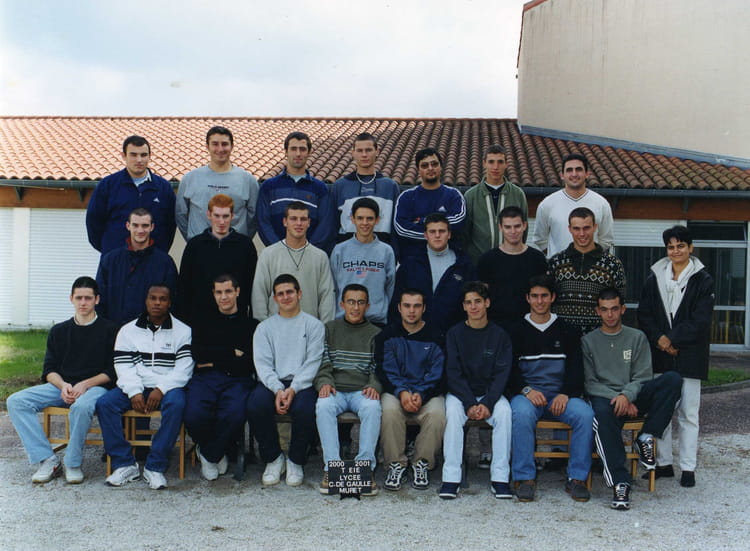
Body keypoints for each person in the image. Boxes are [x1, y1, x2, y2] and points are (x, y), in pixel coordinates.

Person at [7, 277, 117, 484]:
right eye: (79, 298)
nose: (83, 302)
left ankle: (73, 463)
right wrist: (63, 385)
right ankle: (47, 459)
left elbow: (113, 371)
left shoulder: (110, 329)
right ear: (71, 299)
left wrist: (84, 384)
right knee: (16, 401)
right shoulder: (59, 331)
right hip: (62, 386)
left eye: (88, 298)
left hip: (96, 387)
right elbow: (49, 370)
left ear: (97, 300)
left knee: (81, 406)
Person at [583, 288, 682, 510]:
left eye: (614, 309)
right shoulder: (588, 341)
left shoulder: (637, 337)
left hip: (634, 394)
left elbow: (643, 376)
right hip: (605, 397)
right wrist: (618, 398)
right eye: (605, 310)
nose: (610, 315)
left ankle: (646, 435)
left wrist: (626, 396)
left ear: (623, 309)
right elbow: (589, 383)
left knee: (673, 380)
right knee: (601, 416)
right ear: (598, 311)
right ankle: (621, 482)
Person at [637, 225, 715, 488]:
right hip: (660, 354)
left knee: (689, 414)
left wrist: (672, 339)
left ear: (690, 248)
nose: (676, 251)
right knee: (662, 410)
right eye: (671, 247)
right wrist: (659, 338)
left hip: (689, 354)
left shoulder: (703, 280)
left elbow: (701, 320)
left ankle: (688, 468)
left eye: (681, 246)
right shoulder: (654, 277)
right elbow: (645, 314)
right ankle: (664, 463)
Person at [97, 284, 194, 490]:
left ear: (169, 303)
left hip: (168, 388)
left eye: (162, 299)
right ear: (146, 301)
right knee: (105, 403)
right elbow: (123, 366)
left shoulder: (183, 331)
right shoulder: (128, 331)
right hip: (137, 386)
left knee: (177, 404)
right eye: (153, 298)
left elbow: (184, 369)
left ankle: (155, 466)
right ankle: (124, 464)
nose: (157, 303)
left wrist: (161, 389)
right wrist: (134, 391)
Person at [507, 275, 592, 502]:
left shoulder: (568, 330)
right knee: (520, 414)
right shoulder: (515, 330)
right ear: (527, 298)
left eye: (544, 296)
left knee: (585, 414)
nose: (539, 301)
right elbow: (509, 371)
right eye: (534, 296)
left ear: (553, 297)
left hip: (560, 395)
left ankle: (577, 478)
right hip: (528, 395)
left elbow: (576, 369)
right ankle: (524, 478)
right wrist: (526, 390)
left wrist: (566, 393)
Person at [247, 274, 324, 487]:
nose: (285, 297)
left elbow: (313, 362)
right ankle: (273, 458)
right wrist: (278, 390)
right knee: (255, 405)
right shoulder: (265, 328)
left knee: (306, 409)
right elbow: (262, 364)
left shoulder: (314, 326)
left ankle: (296, 460)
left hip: (303, 383)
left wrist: (293, 389)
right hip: (273, 382)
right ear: (274, 298)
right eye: (280, 294)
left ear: (299, 294)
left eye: (290, 292)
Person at [439, 281, 513, 500]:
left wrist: (487, 403)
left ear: (487, 303)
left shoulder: (500, 335)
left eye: (478, 301)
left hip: (490, 394)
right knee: (452, 414)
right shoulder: (454, 333)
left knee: (505, 413)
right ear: (463, 306)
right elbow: (453, 372)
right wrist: (470, 402)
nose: (473, 307)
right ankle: (451, 478)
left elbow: (502, 374)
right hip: (461, 394)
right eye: (468, 302)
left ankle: (500, 478)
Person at [184, 274, 258, 481]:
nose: (223, 297)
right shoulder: (203, 322)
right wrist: (229, 353)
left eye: (228, 291)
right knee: (193, 414)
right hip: (206, 379)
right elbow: (198, 355)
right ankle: (216, 451)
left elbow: (249, 362)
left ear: (237, 292)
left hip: (238, 380)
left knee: (234, 413)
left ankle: (209, 454)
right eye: (219, 292)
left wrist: (213, 358)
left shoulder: (251, 325)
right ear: (213, 294)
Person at [315, 284, 382, 495]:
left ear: (367, 306)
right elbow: (322, 361)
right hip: (335, 389)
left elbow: (378, 366)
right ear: (342, 304)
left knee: (372, 407)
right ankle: (331, 468)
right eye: (351, 302)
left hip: (362, 391)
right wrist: (325, 382)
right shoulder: (329, 329)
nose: (355, 307)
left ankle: (364, 468)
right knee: (323, 405)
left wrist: (374, 384)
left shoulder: (376, 333)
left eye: (361, 302)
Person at [376, 289, 446, 491]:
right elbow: (386, 371)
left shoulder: (437, 335)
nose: (411, 311)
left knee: (437, 413)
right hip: (397, 391)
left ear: (424, 308)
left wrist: (421, 394)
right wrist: (402, 392)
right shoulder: (387, 335)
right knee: (389, 411)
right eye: (407, 305)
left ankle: (421, 463)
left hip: (427, 391)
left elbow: (439, 373)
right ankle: (395, 464)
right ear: (399, 308)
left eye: (416, 306)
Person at [86, 135, 176, 254]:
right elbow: (94, 223)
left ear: (150, 156)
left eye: (143, 155)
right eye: (133, 155)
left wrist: (159, 251)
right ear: (124, 156)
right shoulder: (107, 186)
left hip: (153, 259)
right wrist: (109, 250)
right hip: (115, 259)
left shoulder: (163, 188)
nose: (139, 160)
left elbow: (170, 225)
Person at [177, 193, 257, 326]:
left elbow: (252, 286)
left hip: (236, 321)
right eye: (217, 216)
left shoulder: (245, 246)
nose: (221, 222)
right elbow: (184, 287)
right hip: (200, 321)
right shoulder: (195, 246)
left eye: (225, 216)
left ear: (232, 216)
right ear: (209, 215)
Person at [392, 213, 475, 337]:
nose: (437, 235)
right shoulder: (410, 263)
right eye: (432, 231)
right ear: (425, 235)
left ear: (449, 234)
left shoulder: (464, 264)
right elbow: (397, 301)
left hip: (452, 335)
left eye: (442, 231)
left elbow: (471, 302)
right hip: (416, 335)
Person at [251, 201, 335, 322]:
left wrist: (324, 328)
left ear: (309, 222)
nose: (299, 223)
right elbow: (259, 294)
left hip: (310, 328)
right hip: (276, 327)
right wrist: (264, 327)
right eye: (293, 219)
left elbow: (326, 297)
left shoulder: (320, 257)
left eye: (303, 219)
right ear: (285, 222)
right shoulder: (268, 254)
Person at [548, 207, 625, 336]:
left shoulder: (612, 264)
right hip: (562, 337)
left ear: (595, 227)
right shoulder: (556, 262)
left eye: (586, 228)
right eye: (576, 229)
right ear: (569, 229)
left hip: (599, 339)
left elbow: (620, 304)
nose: (582, 234)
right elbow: (547, 302)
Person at [96, 207, 178, 327]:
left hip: (151, 332)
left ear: (152, 227)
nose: (140, 230)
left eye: (145, 226)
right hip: (115, 331)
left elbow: (173, 302)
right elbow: (99, 300)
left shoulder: (165, 263)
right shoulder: (110, 261)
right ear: (128, 226)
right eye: (135, 225)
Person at [175, 126, 259, 240]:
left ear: (232, 146)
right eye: (215, 144)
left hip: (236, 247)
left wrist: (241, 242)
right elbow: (180, 215)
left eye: (224, 144)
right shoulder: (190, 179)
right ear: (207, 147)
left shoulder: (248, 180)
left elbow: (254, 218)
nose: (220, 149)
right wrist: (194, 241)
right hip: (200, 248)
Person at [256, 131, 335, 252]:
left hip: (309, 257)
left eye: (302, 149)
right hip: (277, 255)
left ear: (309, 152)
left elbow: (325, 224)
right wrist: (280, 249)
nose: (298, 153)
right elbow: (263, 222)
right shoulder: (268, 187)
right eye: (293, 149)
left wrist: (308, 251)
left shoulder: (320, 189)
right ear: (286, 152)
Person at [531, 153, 614, 258]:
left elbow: (606, 240)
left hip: (592, 266)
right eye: (569, 170)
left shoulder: (601, 204)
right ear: (562, 175)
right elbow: (540, 240)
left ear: (587, 174)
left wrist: (589, 258)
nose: (574, 174)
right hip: (558, 267)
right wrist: (560, 259)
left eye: (578, 169)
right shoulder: (547, 204)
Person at [477, 205, 547, 328]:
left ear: (524, 226)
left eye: (517, 226)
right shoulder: (487, 260)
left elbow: (543, 294)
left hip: (530, 325)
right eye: (508, 227)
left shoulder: (537, 258)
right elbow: (482, 297)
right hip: (496, 326)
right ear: (500, 227)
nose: (513, 231)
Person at [329, 197, 395, 326]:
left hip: (376, 322)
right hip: (345, 321)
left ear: (377, 220)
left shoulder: (386, 251)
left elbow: (390, 287)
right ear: (352, 219)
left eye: (369, 218)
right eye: (360, 218)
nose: (365, 223)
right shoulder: (339, 250)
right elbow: (333, 287)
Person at [332, 132, 401, 252]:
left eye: (368, 150)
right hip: (348, 254)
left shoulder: (390, 186)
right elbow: (332, 226)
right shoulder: (340, 186)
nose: (364, 155)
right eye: (359, 150)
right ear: (353, 153)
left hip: (381, 254)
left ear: (377, 151)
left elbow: (395, 229)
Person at [394, 147, 466, 258]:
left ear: (441, 166)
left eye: (434, 164)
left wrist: (421, 221)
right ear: (418, 169)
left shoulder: (453, 195)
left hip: (449, 259)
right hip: (415, 260)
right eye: (424, 165)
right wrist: (440, 233)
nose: (430, 168)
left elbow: (458, 221)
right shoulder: (407, 197)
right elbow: (401, 229)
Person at [463, 144, 528, 264]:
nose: (496, 167)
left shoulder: (517, 194)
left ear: (506, 164)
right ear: (484, 163)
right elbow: (466, 232)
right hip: (478, 262)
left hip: (510, 261)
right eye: (491, 162)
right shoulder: (471, 196)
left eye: (500, 162)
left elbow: (524, 230)